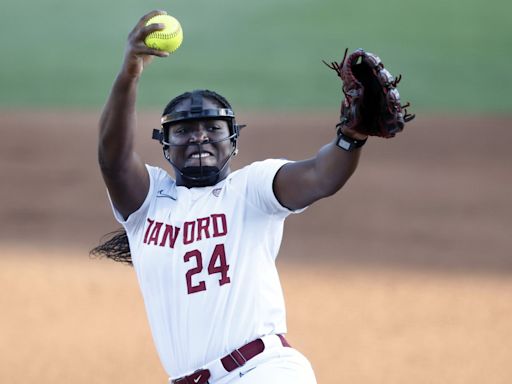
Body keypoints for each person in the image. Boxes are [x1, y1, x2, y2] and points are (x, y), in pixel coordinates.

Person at [94, 9, 373, 384]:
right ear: (164, 144)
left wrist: (350, 139)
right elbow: (112, 159)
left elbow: (321, 175)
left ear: (234, 141)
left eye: (213, 128)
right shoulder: (148, 203)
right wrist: (129, 72)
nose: (199, 137)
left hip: (264, 371)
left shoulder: (251, 189)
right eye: (184, 131)